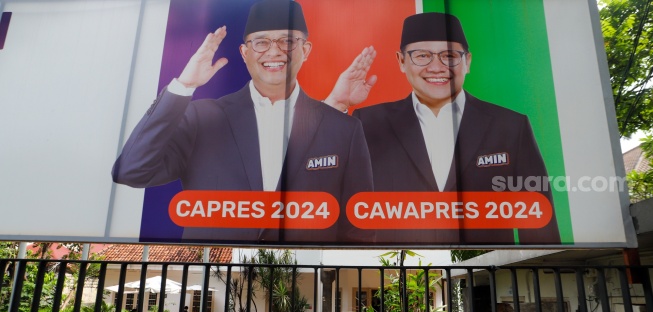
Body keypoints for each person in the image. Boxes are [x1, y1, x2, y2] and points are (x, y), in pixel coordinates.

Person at [112, 0, 374, 244]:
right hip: (214, 280)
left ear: (306, 50)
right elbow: (131, 171)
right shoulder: (201, 118)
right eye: (261, 42)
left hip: (304, 282)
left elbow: (359, 223)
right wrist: (184, 86)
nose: (275, 51)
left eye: (287, 41)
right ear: (245, 52)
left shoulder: (344, 128)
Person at [325, 12, 560, 244]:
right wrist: (337, 103)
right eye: (422, 56)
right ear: (401, 61)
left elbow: (537, 216)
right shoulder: (369, 122)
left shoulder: (510, 125)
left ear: (467, 61)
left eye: (449, 55)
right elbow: (320, 179)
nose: (436, 67)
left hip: (486, 273)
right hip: (394, 274)